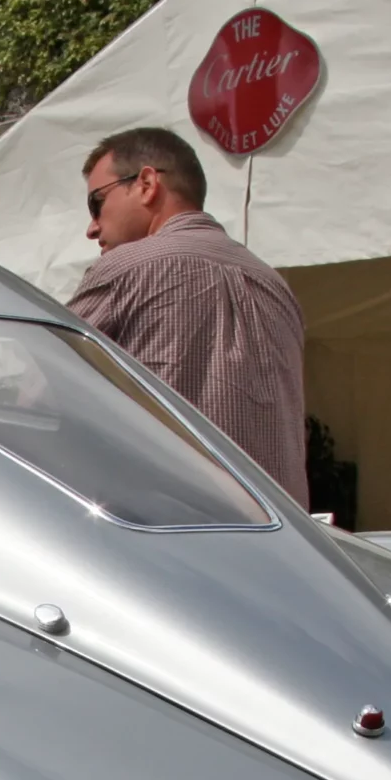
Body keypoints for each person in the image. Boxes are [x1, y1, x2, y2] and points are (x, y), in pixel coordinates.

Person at [70, 125, 309, 503]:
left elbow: (40, 387)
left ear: (147, 183)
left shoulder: (124, 268)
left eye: (96, 203)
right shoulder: (276, 285)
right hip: (280, 541)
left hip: (167, 534)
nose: (92, 226)